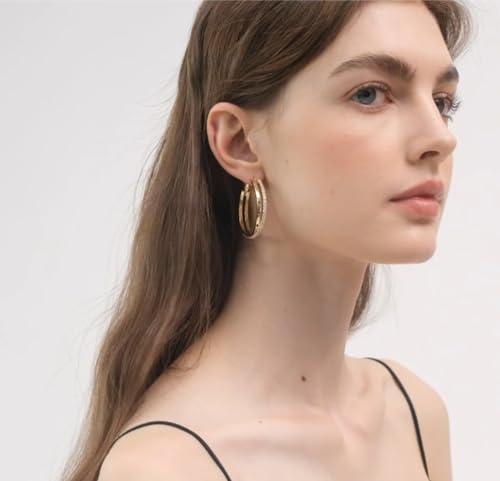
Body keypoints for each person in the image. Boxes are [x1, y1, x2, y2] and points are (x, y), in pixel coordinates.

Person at [60, 1, 474, 481]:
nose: (439, 138)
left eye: (442, 102)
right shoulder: (168, 467)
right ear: (240, 142)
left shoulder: (413, 415)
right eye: (369, 94)